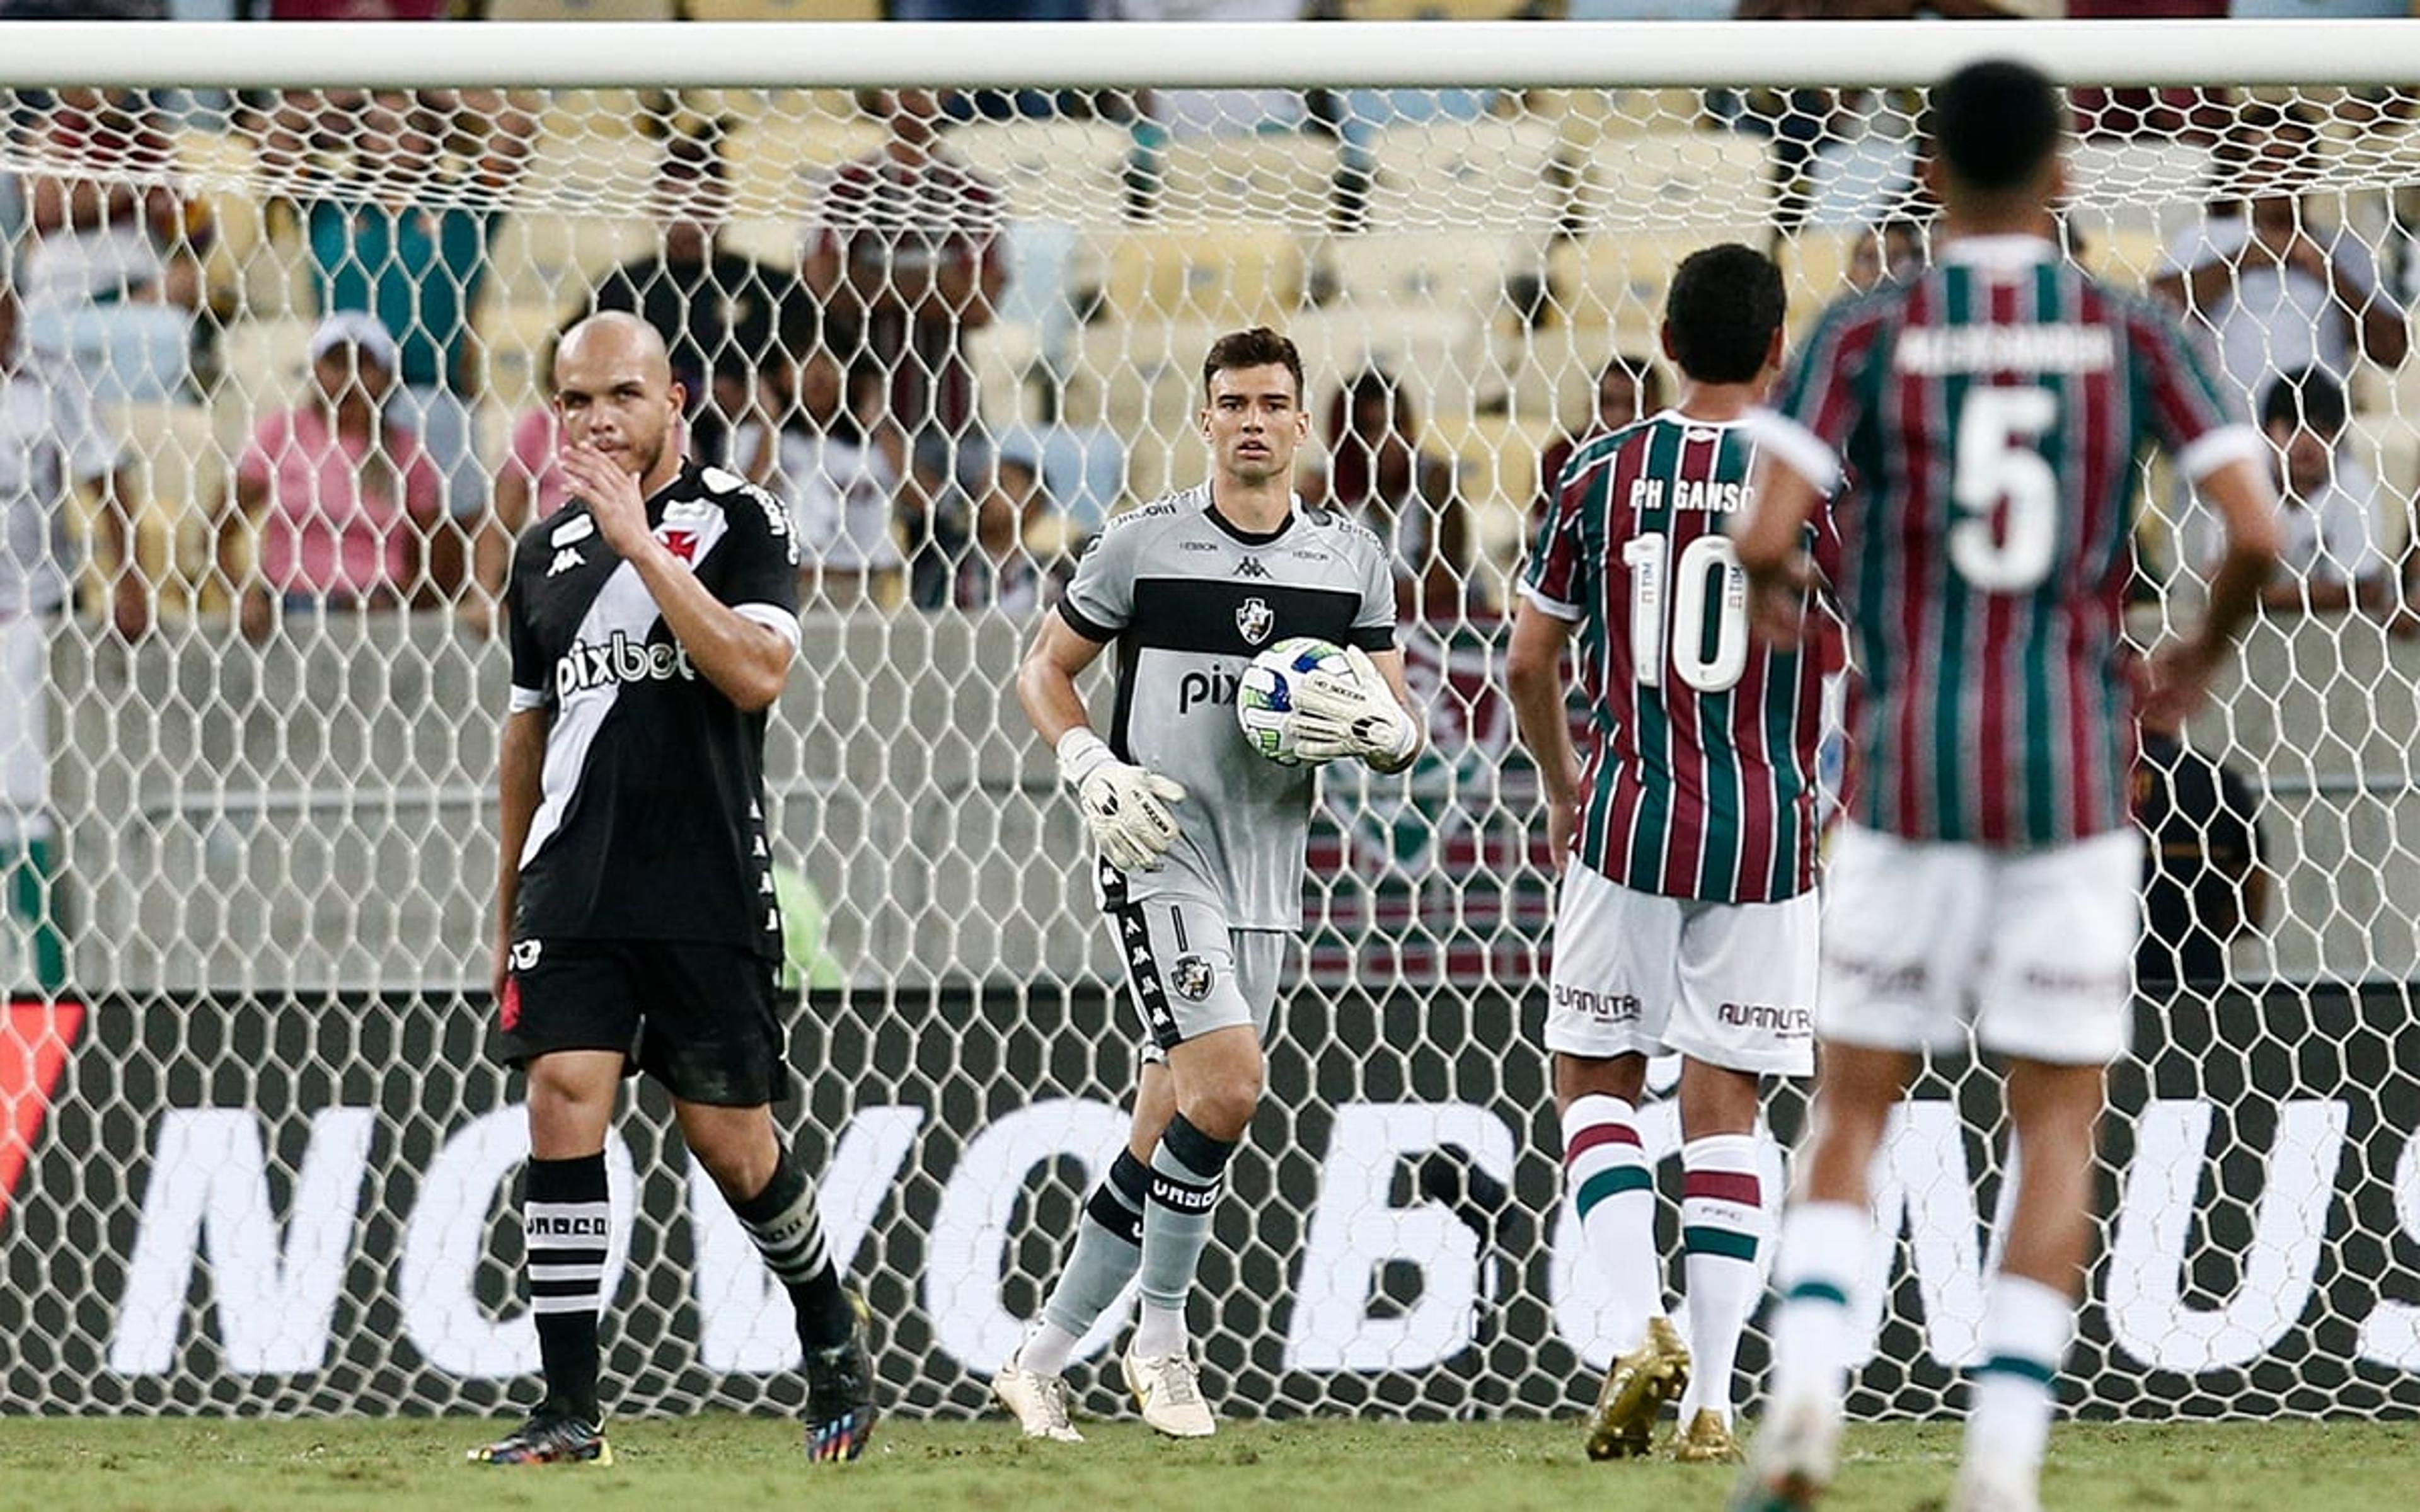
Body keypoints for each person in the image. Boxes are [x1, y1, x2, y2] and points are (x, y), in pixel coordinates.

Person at [1727, 59, 2281, 1512]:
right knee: (2053, 1123)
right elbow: (2253, 529)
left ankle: (1798, 1407)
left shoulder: (1860, 329)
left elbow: (1761, 525)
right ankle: (1997, 1470)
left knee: (1849, 1105)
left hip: (1906, 767)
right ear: (2060, 178)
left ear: (1925, 179)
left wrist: (1787, 594)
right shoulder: (2129, 330)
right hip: (2072, 770)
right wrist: (2193, 655)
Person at [991, 326, 1423, 1442]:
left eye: (1272, 403)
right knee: (1229, 1089)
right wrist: (1087, 761)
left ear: (1300, 421)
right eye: (1231, 403)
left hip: (1269, 873)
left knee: (1168, 1120)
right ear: (1203, 420)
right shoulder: (1141, 546)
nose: (1252, 421)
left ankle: (1038, 1358)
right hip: (1158, 850)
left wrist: (1386, 736)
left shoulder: (1351, 562)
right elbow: (1046, 669)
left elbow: (1397, 720)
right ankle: (1163, 1343)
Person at [477, 311, 873, 1467]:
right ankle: (568, 1409)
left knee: (734, 1145)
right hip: (573, 887)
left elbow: (757, 675)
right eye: (578, 400)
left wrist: (642, 543)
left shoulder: (744, 520)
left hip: (704, 882)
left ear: (673, 403)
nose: (599, 419)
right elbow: (525, 740)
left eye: (624, 396)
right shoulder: (542, 551)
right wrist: (505, 907)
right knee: (559, 1093)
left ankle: (829, 1329)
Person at [1506, 244, 1819, 1467]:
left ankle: (1640, 1322)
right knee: (1724, 1100)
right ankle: (1714, 1402)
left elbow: (1530, 663)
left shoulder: (1600, 467)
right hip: (1768, 823)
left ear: (1670, 348)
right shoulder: (1817, 483)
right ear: (1779, 349)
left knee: (1594, 1078)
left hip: (1629, 818)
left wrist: (1562, 782)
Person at [2, 265, 141, 989]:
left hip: (31, 612)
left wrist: (126, 570)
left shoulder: (51, 378)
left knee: (28, 795)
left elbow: (104, 473)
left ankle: (46, 974)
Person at [802, 88, 1005, 525]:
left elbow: (979, 307)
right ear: (880, 92)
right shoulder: (845, 187)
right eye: (901, 84)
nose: (913, 95)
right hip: (854, 422)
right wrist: (937, 282)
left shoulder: (975, 194)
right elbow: (822, 288)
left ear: (950, 92)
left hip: (953, 419)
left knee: (953, 555)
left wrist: (869, 277)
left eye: (928, 84)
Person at [2150, 98, 2409, 425]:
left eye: (2291, 162)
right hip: (2231, 439)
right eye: (2264, 163)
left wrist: (2328, 274)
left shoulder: (2343, 248)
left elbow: (2394, 352)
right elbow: (2157, 309)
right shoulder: (2207, 238)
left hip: (2319, 448)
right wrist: (2244, 260)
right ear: (2241, 172)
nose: (2278, 176)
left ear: (2312, 173)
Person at [217, 311, 443, 643]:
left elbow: (433, 552)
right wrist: (243, 596)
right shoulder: (279, 434)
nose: (349, 378)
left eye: (364, 365)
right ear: (316, 370)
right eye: (337, 364)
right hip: (287, 610)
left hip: (374, 614)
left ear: (387, 376)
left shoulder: (409, 453)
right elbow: (218, 532)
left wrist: (400, 602)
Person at [586, 125, 783, 468]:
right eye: (677, 200)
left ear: (723, 201)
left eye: (701, 201)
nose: (689, 214)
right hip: (651, 442)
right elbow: (574, 366)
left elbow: (813, 367)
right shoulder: (625, 288)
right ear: (656, 205)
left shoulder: (768, 286)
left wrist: (753, 398)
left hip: (759, 442)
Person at [1304, 366, 1473, 621]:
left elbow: (1443, 583)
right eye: (1374, 429)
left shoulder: (1435, 480)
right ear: (1348, 437)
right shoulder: (1323, 489)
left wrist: (1364, 597)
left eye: (1397, 425)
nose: (1391, 441)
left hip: (1429, 620)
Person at [2244, 366, 2397, 619]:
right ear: (2265, 431)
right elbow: (2214, 577)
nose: (2306, 441)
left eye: (2321, 429)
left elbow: (2363, 590)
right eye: (2294, 427)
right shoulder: (2246, 485)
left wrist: (2254, 597)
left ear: (2339, 436)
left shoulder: (2351, 486)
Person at [2134, 707, 2269, 992]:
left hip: (2099, 983)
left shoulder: (2089, 781)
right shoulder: (2221, 783)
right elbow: (2253, 897)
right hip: (2199, 978)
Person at [1534, 354, 1667, 530]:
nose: (1620, 416)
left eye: (1634, 405)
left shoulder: (1673, 459)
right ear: (1591, 406)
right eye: (1607, 403)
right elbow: (1543, 528)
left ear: (1658, 408)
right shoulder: (1562, 457)